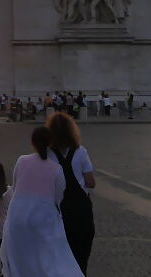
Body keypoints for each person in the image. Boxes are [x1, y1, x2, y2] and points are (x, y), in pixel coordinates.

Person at [1, 126, 82, 277]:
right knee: (47, 259)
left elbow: (15, 185)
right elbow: (58, 197)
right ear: (50, 143)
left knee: (20, 258)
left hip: (18, 215)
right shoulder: (56, 169)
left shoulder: (22, 160)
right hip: (43, 216)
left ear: (32, 142)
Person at [46, 112, 96, 274]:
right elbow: (90, 182)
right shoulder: (81, 151)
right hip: (81, 212)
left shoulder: (47, 154)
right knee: (81, 258)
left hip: (58, 213)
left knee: (60, 259)